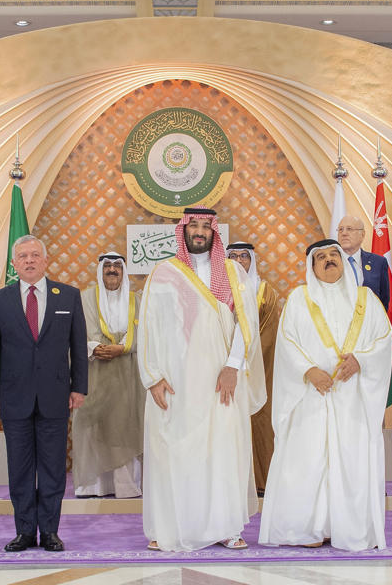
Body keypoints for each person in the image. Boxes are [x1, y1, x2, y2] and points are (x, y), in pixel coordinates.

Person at [138, 207, 266, 552]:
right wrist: (152, 376)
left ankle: (225, 527)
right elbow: (147, 327)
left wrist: (233, 366)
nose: (198, 231)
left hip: (221, 381)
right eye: (192, 225)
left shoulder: (233, 271)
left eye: (204, 226)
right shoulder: (163, 273)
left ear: (214, 231)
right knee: (174, 451)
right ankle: (170, 526)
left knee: (223, 451)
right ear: (183, 230)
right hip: (176, 382)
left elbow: (246, 323)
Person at [259, 239, 392, 551]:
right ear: (312, 265)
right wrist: (308, 370)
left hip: (352, 398)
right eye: (322, 257)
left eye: (335, 255)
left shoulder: (366, 299)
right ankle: (307, 530)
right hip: (310, 396)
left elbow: (383, 339)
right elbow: (287, 342)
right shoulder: (298, 299)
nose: (330, 260)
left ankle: (348, 529)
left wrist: (361, 360)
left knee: (351, 461)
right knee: (308, 462)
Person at [0, 235, 88, 552]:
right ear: (14, 264)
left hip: (56, 396)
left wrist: (79, 387)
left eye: (35, 255)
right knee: (21, 469)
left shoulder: (68, 297)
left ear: (45, 260)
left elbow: (78, 348)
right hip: (13, 398)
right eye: (23, 256)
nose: (29, 260)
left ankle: (50, 532)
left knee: (54, 469)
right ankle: (25, 531)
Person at [72, 252, 144, 498]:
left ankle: (125, 486)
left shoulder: (137, 301)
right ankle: (93, 486)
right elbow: (73, 333)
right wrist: (93, 347)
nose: (112, 270)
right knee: (93, 427)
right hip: (94, 374)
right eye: (108, 266)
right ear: (100, 270)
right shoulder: (83, 299)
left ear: (123, 271)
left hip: (127, 376)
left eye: (117, 266)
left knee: (124, 427)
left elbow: (145, 333)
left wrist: (122, 348)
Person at [225, 241, 280, 493]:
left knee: (258, 418)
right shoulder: (219, 289)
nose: (238, 260)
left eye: (243, 256)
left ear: (252, 260)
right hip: (223, 367)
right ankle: (228, 483)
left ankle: (259, 480)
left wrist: (244, 357)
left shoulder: (264, 291)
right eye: (233, 255)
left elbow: (268, 334)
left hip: (257, 367)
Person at [336, 215, 390, 308]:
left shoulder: (378, 262)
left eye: (349, 229)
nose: (344, 233)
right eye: (340, 229)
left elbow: (383, 300)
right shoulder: (331, 263)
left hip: (370, 320)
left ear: (362, 234)